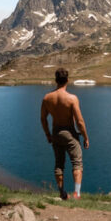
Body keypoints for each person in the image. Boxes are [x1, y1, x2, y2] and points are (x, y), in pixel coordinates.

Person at [40, 68, 89, 200]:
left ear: (56, 80)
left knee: (59, 164)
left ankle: (62, 192)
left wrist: (48, 134)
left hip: (56, 133)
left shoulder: (47, 98)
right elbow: (79, 121)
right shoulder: (72, 99)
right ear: (67, 80)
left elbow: (43, 119)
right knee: (77, 163)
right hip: (70, 133)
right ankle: (77, 193)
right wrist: (85, 137)